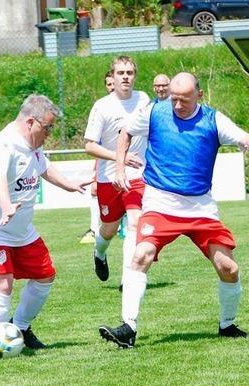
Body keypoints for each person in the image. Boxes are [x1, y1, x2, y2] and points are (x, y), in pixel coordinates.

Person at [98, 72, 249, 348]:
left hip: (200, 207)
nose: (177, 106)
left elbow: (247, 139)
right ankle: (128, 328)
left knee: (228, 267)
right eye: (174, 99)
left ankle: (227, 325)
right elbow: (125, 133)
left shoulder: (213, 120)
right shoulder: (154, 111)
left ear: (199, 95)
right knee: (141, 255)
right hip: (160, 202)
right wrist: (118, 168)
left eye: (184, 100)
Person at [0, 94, 92, 352]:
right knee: (3, 284)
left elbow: (44, 167)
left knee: (45, 275)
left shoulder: (33, 145)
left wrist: (69, 184)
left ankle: (20, 327)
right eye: (48, 127)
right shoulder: (2, 145)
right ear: (31, 122)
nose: (50, 133)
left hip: (21, 228)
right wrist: (6, 205)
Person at [84, 55, 151, 290]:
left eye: (129, 73)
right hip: (109, 178)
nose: (125, 77)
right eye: (120, 73)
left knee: (134, 223)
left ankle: (128, 279)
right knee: (109, 229)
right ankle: (99, 253)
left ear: (135, 76)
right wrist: (119, 157)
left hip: (138, 176)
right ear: (112, 77)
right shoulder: (102, 106)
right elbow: (89, 145)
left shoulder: (144, 99)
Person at [80, 70, 116, 244]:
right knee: (108, 227)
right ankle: (95, 230)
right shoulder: (102, 108)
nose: (111, 87)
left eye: (113, 83)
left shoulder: (137, 104)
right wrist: (95, 175)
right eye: (108, 84)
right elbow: (93, 146)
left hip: (134, 168)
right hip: (108, 171)